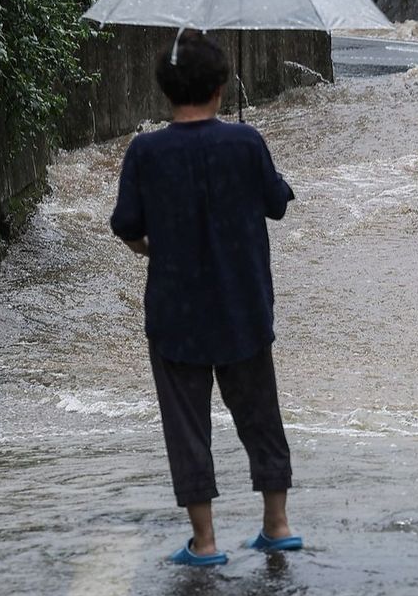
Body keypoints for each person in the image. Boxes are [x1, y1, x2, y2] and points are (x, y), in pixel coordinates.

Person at [109, 30, 302, 567]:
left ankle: (206, 541)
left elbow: (127, 225)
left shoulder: (145, 151)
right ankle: (277, 523)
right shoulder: (246, 141)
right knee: (261, 415)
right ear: (221, 88)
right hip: (243, 308)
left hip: (176, 315)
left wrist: (152, 249)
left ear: (165, 91)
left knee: (187, 425)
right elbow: (277, 203)